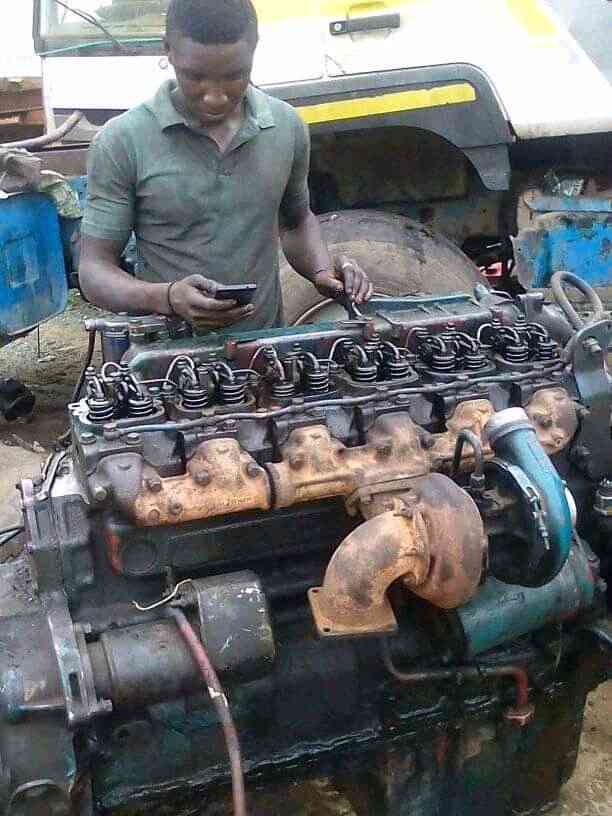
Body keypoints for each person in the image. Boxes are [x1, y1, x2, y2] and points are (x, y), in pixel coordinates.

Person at [79, 0, 373, 331]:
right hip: (171, 363)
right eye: (196, 77)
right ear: (168, 51)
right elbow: (94, 271)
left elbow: (295, 222)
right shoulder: (122, 141)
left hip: (264, 350)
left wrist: (322, 272)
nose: (215, 97)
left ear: (254, 50)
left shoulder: (286, 127)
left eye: (235, 76)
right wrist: (167, 297)